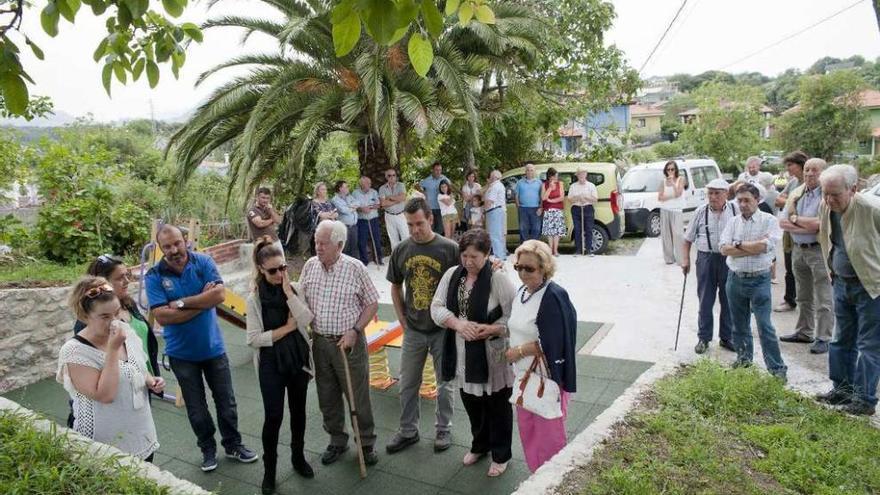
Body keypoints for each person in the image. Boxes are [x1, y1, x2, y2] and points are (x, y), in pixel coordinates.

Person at [145, 225, 258, 471]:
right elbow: (163, 317)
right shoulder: (154, 276)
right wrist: (201, 303)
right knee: (197, 409)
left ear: (185, 240)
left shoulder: (203, 262)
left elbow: (218, 296)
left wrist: (182, 303)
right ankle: (208, 449)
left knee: (226, 402)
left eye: (177, 243)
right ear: (161, 249)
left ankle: (233, 444)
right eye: (167, 246)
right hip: (181, 354)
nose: (174, 250)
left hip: (213, 348)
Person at [430, 229, 516, 477]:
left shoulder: (498, 278)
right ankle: (480, 445)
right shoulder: (452, 275)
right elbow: (436, 308)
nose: (468, 262)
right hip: (461, 352)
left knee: (497, 405)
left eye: (475, 257)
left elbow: (514, 317)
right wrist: (458, 324)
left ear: (488, 254)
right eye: (464, 255)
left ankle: (501, 455)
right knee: (471, 402)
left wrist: (492, 329)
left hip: (492, 353)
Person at [299, 220, 380, 466]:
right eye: (316, 242)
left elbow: (372, 302)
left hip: (349, 342)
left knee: (357, 395)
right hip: (320, 342)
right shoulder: (310, 266)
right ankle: (337, 440)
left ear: (340, 245)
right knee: (327, 394)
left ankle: (365, 443)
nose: (318, 247)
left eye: (324, 243)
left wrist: (355, 330)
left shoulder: (355, 268)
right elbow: (300, 299)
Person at [57, 277, 165, 461]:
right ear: (84, 316)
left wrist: (151, 380)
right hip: (105, 442)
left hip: (139, 431)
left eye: (116, 313)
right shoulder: (75, 351)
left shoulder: (125, 331)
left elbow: (136, 366)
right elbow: (105, 395)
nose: (114, 321)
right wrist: (113, 349)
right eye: (105, 317)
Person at [385, 198, 460, 454]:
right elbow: (395, 286)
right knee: (407, 383)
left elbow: (462, 286)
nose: (415, 229)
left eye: (419, 223)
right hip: (414, 330)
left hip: (442, 330)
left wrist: (454, 322)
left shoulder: (449, 249)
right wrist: (403, 320)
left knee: (445, 382)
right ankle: (408, 431)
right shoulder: (401, 250)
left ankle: (443, 430)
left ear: (430, 218)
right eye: (410, 225)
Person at [246, 237, 316, 493]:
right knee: (273, 417)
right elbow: (253, 339)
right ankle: (270, 471)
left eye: (283, 267)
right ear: (262, 270)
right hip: (271, 364)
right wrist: (286, 328)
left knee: (299, 412)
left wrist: (288, 293)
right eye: (273, 270)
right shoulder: (254, 299)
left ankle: (298, 458)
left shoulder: (294, 288)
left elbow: (307, 319)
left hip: (297, 361)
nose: (280, 274)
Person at [505, 240, 578, 473]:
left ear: (544, 268)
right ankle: (537, 478)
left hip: (547, 380)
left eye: (530, 269)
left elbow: (556, 344)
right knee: (528, 433)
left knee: (549, 440)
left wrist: (517, 352)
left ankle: (553, 482)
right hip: (523, 375)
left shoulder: (554, 296)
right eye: (519, 267)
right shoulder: (522, 292)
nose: (523, 273)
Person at [814, 164, 880, 416]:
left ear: (853, 189)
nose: (829, 200)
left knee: (868, 346)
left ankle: (864, 400)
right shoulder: (825, 207)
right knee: (840, 340)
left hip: (871, 288)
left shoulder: (871, 209)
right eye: (825, 194)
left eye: (835, 194)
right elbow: (827, 240)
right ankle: (842, 389)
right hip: (841, 283)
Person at [719, 183, 787, 380]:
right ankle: (743, 361)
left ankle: (777, 369)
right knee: (739, 325)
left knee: (765, 326)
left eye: (747, 200)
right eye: (739, 200)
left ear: (757, 200)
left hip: (759, 279)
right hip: (735, 279)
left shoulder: (769, 221)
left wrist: (738, 245)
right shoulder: (732, 222)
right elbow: (724, 249)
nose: (742, 204)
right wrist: (753, 245)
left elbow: (765, 247)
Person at [778, 158, 833, 354]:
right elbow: (782, 223)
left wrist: (795, 220)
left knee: (824, 297)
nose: (809, 173)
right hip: (798, 249)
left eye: (814, 170)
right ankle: (804, 332)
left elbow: (820, 224)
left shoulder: (827, 196)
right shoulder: (797, 193)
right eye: (807, 169)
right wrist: (802, 223)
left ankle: (824, 337)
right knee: (803, 295)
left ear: (823, 173)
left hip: (818, 251)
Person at [681, 179, 737, 354]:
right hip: (706, 258)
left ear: (726, 194)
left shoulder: (735, 210)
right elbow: (687, 238)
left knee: (728, 299)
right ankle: (703, 338)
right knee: (705, 300)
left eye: (717, 193)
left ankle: (727, 337)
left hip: (729, 259)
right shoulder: (700, 211)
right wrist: (685, 260)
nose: (713, 197)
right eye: (710, 193)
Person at [774, 151, 808, 313]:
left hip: (807, 232)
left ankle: (808, 302)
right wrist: (793, 201)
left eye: (790, 165)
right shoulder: (793, 182)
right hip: (790, 231)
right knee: (790, 267)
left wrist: (790, 202)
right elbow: (777, 199)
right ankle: (790, 299)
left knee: (809, 270)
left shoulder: (813, 184)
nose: (788, 169)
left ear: (800, 165)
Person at [352, 176, 383, 266]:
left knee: (377, 240)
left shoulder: (374, 192)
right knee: (362, 241)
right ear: (361, 184)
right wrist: (361, 209)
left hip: (373, 219)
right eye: (367, 183)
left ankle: (378, 259)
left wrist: (370, 207)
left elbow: (378, 204)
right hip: (362, 221)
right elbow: (353, 206)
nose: (369, 184)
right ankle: (364, 262)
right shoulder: (355, 193)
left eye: (370, 183)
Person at [658, 160, 685, 265]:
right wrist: (672, 196)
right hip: (665, 210)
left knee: (678, 235)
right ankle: (669, 258)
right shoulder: (663, 182)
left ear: (676, 170)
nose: (670, 171)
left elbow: (679, 192)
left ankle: (680, 259)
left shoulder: (681, 179)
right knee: (666, 235)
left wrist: (673, 183)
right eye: (668, 169)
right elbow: (660, 197)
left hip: (677, 210)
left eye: (672, 169)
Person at [568, 166, 598, 256]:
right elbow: (570, 199)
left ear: (586, 174)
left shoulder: (591, 185)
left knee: (588, 229)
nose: (581, 175)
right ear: (577, 175)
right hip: (576, 209)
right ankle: (578, 250)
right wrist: (578, 197)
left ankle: (588, 250)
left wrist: (585, 197)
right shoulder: (573, 186)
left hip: (588, 208)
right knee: (577, 230)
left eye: (583, 173)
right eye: (580, 174)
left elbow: (595, 199)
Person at [379, 168, 409, 251]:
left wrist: (390, 198)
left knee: (405, 236)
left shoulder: (401, 185)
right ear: (386, 177)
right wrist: (397, 200)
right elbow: (383, 204)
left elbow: (403, 197)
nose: (392, 177)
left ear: (396, 176)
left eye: (393, 175)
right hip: (389, 216)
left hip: (401, 215)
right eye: (389, 175)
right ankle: (396, 258)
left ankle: (407, 256)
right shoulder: (382, 188)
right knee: (393, 239)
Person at [247, 187, 284, 254]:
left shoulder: (269, 209)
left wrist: (271, 211)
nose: (265, 200)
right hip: (262, 244)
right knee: (266, 263)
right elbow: (260, 224)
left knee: (281, 263)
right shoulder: (253, 210)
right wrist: (272, 219)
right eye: (263, 198)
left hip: (275, 241)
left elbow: (279, 221)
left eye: (267, 198)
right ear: (257, 197)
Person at [418, 162, 451, 234]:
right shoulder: (427, 180)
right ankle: (431, 243)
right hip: (430, 208)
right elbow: (416, 185)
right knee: (430, 227)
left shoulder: (444, 178)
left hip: (441, 208)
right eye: (436, 170)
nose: (438, 172)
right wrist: (423, 192)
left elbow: (450, 186)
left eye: (440, 170)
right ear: (432, 170)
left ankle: (435, 241)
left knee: (440, 228)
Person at [540, 167, 566, 257]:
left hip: (558, 210)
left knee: (557, 232)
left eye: (557, 176)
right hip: (548, 211)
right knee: (550, 232)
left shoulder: (560, 184)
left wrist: (550, 201)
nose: (556, 178)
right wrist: (550, 188)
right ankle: (550, 250)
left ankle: (556, 250)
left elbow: (562, 197)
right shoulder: (544, 185)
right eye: (555, 176)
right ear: (550, 176)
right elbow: (543, 198)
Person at [331, 180, 359, 260]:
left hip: (353, 226)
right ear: (340, 189)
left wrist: (350, 207)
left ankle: (355, 267)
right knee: (345, 248)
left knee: (354, 247)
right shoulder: (335, 199)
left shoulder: (349, 197)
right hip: (344, 227)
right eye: (346, 187)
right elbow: (344, 211)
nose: (348, 188)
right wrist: (352, 207)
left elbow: (358, 203)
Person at [483, 170, 508, 260]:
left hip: (494, 211)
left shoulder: (495, 186)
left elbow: (489, 201)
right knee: (498, 235)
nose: (491, 177)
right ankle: (501, 255)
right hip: (495, 211)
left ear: (495, 177)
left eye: (492, 176)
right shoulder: (495, 185)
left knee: (495, 235)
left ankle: (499, 257)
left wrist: (483, 210)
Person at [515, 163, 543, 242]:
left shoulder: (539, 182)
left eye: (531, 170)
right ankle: (525, 248)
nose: (530, 172)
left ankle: (534, 247)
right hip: (523, 209)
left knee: (536, 229)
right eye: (528, 170)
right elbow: (516, 195)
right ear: (525, 171)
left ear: (534, 171)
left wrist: (541, 207)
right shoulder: (520, 182)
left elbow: (542, 196)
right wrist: (518, 206)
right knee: (523, 229)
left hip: (536, 208)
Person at [309, 182, 338, 256]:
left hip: (330, 231)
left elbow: (337, 214)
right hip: (319, 231)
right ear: (317, 191)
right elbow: (321, 215)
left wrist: (328, 215)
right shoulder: (314, 202)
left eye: (325, 189)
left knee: (329, 252)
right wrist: (331, 214)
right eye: (322, 189)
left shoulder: (328, 202)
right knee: (319, 252)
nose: (325, 191)